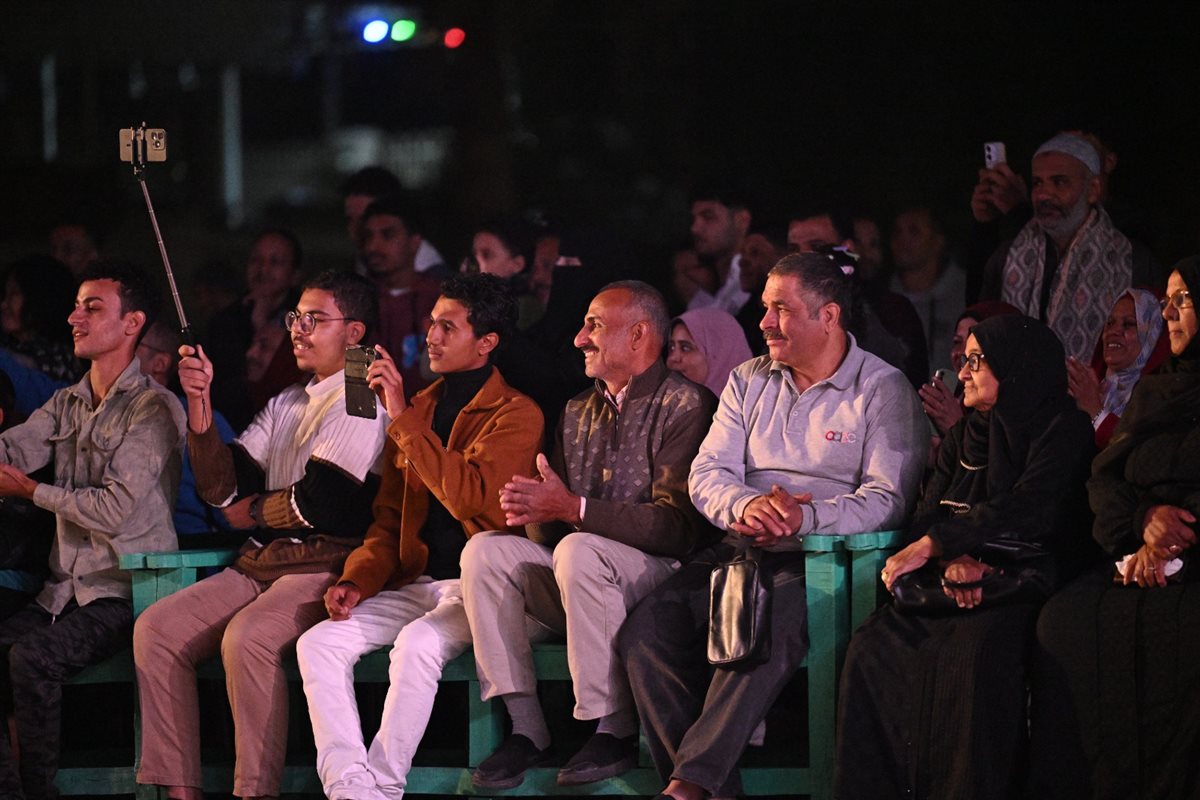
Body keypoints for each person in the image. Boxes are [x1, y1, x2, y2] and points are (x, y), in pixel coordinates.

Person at [618, 253, 927, 800]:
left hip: (822, 559)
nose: (763, 322)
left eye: (781, 309)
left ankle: (688, 784)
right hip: (739, 545)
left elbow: (888, 500)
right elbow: (708, 472)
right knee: (647, 633)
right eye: (764, 307)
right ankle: (708, 788)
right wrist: (747, 506)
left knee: (759, 631)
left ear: (828, 316)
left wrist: (806, 518)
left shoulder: (882, 387)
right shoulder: (749, 379)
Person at [133, 271, 389, 800]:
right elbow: (221, 489)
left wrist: (255, 510)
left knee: (247, 636)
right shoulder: (288, 400)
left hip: (326, 564)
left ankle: (254, 791)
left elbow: (322, 504)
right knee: (157, 629)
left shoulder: (362, 395)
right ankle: (179, 791)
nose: (297, 328)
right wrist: (199, 404)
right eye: (295, 317)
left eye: (314, 319)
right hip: (263, 561)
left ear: (355, 332)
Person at [459, 280, 717, 790]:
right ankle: (527, 729)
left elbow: (678, 529)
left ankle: (612, 727)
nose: (579, 338)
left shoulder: (687, 404)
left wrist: (572, 509)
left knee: (579, 548)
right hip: (582, 577)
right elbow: (551, 530)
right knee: (484, 551)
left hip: (662, 582)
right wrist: (534, 506)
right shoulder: (578, 409)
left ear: (638, 335)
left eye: (594, 325)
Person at [295, 273, 543, 800]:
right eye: (432, 323)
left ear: (487, 342)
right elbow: (389, 521)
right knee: (318, 643)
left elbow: (468, 498)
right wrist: (357, 581)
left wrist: (402, 416)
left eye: (447, 327)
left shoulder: (517, 413)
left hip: (481, 593)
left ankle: (383, 787)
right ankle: (349, 787)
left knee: (416, 645)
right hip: (416, 582)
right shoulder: (421, 407)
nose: (430, 336)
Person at [835, 315, 1095, 800]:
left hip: (1015, 580)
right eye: (966, 359)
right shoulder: (965, 436)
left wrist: (944, 546)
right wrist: (947, 558)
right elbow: (926, 516)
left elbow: (1031, 507)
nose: (964, 372)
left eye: (978, 360)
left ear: (1015, 367)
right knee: (872, 648)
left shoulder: (1063, 428)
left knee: (975, 656)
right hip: (950, 577)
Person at [0, 261, 186, 800]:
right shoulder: (66, 403)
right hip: (61, 591)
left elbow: (114, 510)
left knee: (32, 658)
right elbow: (14, 450)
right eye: (77, 306)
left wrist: (30, 491)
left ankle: (41, 792)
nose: (74, 318)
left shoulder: (154, 407)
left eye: (92, 307)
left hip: (126, 593)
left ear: (132, 324)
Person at [1029, 258, 1200, 800]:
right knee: (1063, 621)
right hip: (1138, 551)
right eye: (1167, 302)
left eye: (1183, 300)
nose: (1169, 314)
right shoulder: (1156, 391)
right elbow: (1106, 477)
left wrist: (1175, 536)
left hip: (1193, 558)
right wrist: (1143, 521)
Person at [976, 132, 1166, 360]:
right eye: (1038, 183)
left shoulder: (1131, 260)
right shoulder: (1008, 256)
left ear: (1093, 189)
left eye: (1059, 182)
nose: (1044, 195)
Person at [204, 228, 306, 430]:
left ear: (295, 274)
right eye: (256, 260)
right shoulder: (225, 320)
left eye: (275, 262)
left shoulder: (306, 320)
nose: (263, 269)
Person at [358, 195, 442, 397]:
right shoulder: (354, 299)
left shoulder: (441, 299)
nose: (373, 246)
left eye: (387, 235)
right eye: (369, 236)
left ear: (415, 242)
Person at [1066, 288, 1168, 449]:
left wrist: (1096, 411)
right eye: (1110, 323)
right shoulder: (1090, 389)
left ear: (1151, 334)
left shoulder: (1157, 397)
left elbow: (1135, 452)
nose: (1113, 331)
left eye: (1128, 324)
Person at [919, 300, 1021, 437]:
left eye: (975, 343)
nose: (962, 352)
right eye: (957, 342)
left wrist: (955, 426)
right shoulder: (957, 403)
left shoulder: (1019, 421)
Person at [889, 206, 967, 374]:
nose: (903, 239)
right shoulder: (885, 299)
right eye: (897, 232)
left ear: (938, 240)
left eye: (914, 231)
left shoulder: (963, 294)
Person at [342, 166, 446, 277]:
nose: (356, 229)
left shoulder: (435, 278)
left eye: (365, 218)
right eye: (350, 219)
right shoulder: (362, 264)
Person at [0, 254, 82, 385]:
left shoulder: (61, 359)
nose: (3, 305)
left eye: (14, 294)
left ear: (39, 299)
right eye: (5, 294)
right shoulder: (6, 344)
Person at [688, 186, 753, 315]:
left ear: (741, 220)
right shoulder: (717, 285)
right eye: (693, 219)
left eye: (708, 216)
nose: (695, 228)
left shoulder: (752, 283)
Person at [666, 308, 752, 397]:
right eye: (671, 348)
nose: (672, 358)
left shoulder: (753, 403)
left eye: (686, 348)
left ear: (720, 356)